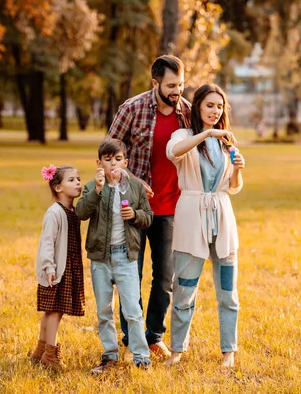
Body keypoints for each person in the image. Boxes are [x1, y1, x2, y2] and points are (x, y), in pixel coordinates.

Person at [108, 55, 191, 359]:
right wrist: (132, 178)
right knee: (132, 274)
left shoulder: (187, 113)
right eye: (171, 85)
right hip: (134, 208)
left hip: (170, 207)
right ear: (155, 82)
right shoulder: (132, 108)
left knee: (165, 275)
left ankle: (154, 335)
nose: (177, 91)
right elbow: (109, 153)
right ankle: (132, 339)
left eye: (180, 85)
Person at [164, 83, 245, 368]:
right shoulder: (185, 135)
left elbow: (233, 188)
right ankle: (177, 351)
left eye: (220, 106)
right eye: (210, 105)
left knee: (228, 293)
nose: (215, 111)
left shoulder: (227, 143)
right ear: (197, 106)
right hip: (191, 221)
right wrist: (207, 133)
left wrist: (236, 168)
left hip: (222, 221)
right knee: (184, 289)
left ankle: (228, 353)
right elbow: (173, 152)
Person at [76, 138, 154, 373]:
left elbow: (148, 217)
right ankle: (109, 355)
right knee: (104, 310)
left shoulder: (136, 187)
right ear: (99, 163)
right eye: (107, 160)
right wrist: (98, 191)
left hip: (125, 257)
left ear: (125, 162)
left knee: (133, 310)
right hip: (100, 258)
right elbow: (81, 212)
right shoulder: (93, 187)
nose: (113, 164)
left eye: (117, 159)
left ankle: (141, 357)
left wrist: (136, 215)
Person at [29, 165, 85, 371]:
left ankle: (40, 350)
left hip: (68, 267)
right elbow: (47, 242)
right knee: (55, 310)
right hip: (56, 269)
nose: (78, 182)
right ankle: (50, 355)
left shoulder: (72, 211)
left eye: (78, 178)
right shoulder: (54, 213)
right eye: (71, 180)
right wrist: (49, 267)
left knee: (52, 310)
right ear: (58, 187)